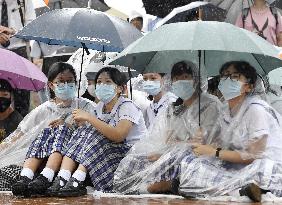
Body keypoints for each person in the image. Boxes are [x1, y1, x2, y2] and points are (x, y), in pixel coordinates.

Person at [178, 61, 282, 202]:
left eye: (234, 77)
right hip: (236, 167)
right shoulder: (225, 111)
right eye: (225, 77)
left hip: (260, 164)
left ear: (249, 86)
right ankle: (242, 192)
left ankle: (241, 190)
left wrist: (214, 152)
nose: (227, 81)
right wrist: (205, 141)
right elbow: (221, 145)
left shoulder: (256, 109)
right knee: (195, 165)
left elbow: (252, 155)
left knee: (263, 169)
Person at [113, 61, 222, 194]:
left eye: (186, 77)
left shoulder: (210, 104)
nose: (181, 82)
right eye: (177, 78)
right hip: (172, 152)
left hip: (200, 155)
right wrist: (165, 151)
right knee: (134, 160)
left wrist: (182, 146)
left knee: (178, 159)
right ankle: (137, 188)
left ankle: (150, 188)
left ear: (196, 80)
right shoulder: (173, 109)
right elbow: (169, 140)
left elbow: (207, 141)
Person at [45, 67, 147, 197]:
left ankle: (78, 179)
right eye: (99, 82)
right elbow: (84, 133)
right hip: (106, 154)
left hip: (128, 157)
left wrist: (89, 118)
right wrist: (71, 125)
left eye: (108, 82)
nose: (102, 85)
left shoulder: (127, 106)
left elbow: (119, 136)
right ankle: (63, 177)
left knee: (93, 132)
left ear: (120, 88)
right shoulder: (99, 107)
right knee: (80, 130)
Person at [0, 62, 94, 193]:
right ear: (51, 85)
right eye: (61, 82)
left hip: (74, 159)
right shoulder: (44, 109)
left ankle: (47, 176)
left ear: (75, 83)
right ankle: (26, 177)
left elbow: (94, 133)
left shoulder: (86, 106)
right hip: (42, 158)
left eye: (70, 81)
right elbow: (20, 133)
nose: (66, 85)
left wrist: (74, 124)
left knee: (61, 129)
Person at [0, 0, 37, 117]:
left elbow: (33, 29)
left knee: (22, 101)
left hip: (19, 52)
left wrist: (13, 31)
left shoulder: (25, 2)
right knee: (1, 100)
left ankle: (21, 130)